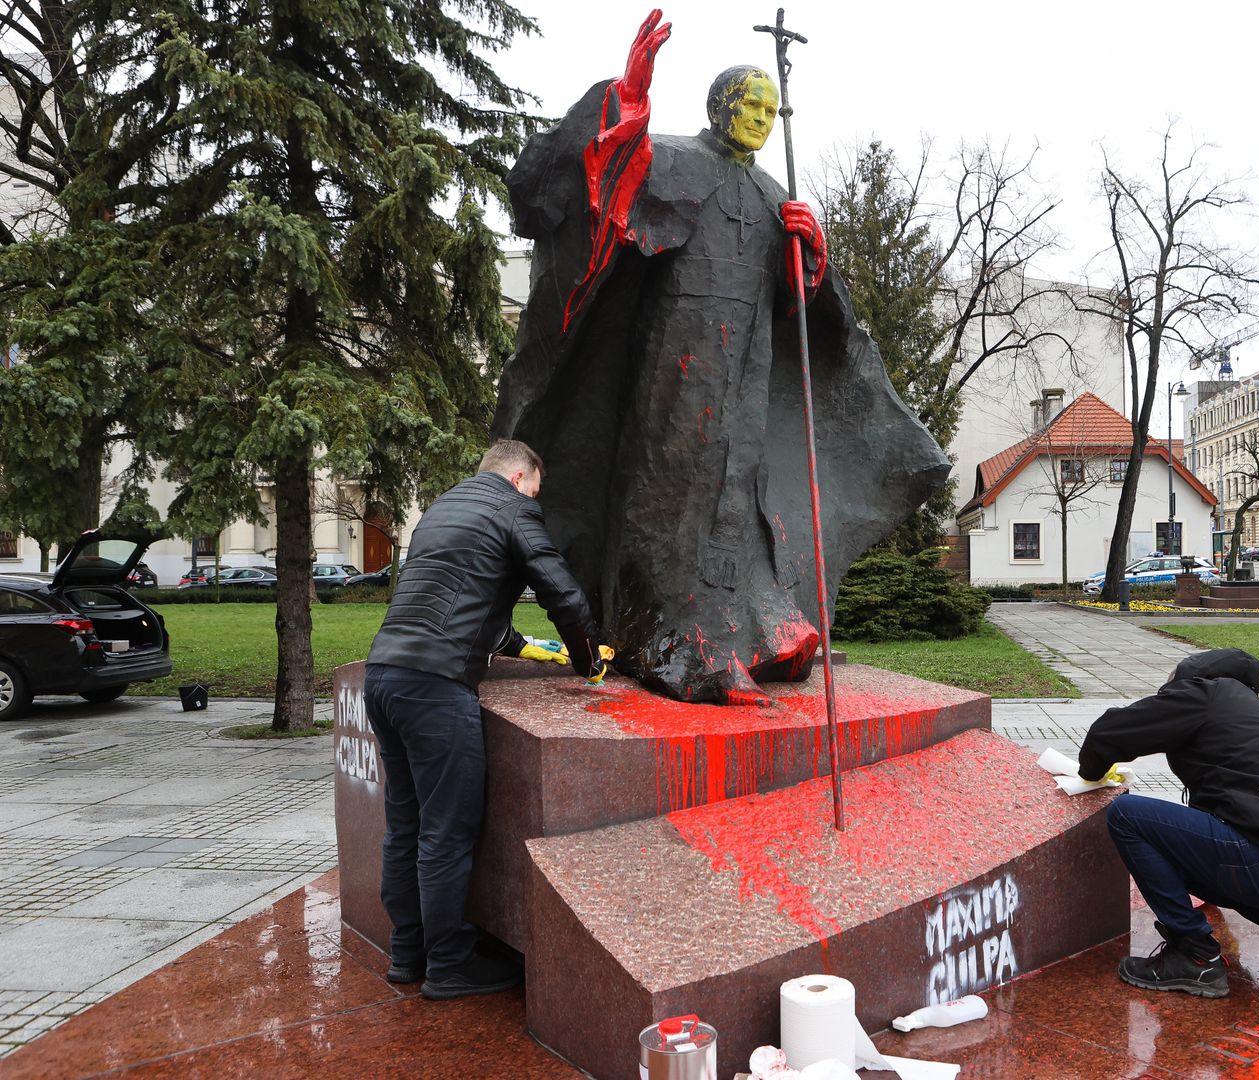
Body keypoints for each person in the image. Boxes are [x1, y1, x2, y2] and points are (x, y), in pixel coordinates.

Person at [492, 11, 949, 705]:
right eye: (752, 106)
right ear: (720, 106)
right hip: (677, 356)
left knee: (741, 492)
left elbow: (796, 307)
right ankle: (670, 639)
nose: (765, 119)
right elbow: (606, 193)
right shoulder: (677, 159)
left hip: (750, 360)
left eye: (773, 109)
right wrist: (631, 97)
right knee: (675, 490)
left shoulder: (772, 194)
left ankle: (748, 632)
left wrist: (810, 258)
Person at [364, 439, 600, 1001]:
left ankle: (407, 952)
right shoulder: (512, 506)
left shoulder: (441, 509)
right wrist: (589, 659)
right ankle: (449, 964)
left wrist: (523, 647)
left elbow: (461, 600)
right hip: (436, 690)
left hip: (385, 674)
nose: (535, 500)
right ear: (520, 477)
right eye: (536, 491)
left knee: (405, 824)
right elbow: (560, 591)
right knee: (446, 830)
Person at [1078, 648, 1259, 999]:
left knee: (1127, 815)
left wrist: (1088, 776)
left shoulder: (1207, 693)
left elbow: (1110, 732)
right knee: (1187, 855)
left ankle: (1194, 955)